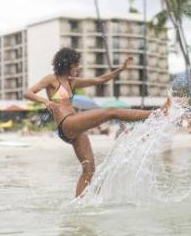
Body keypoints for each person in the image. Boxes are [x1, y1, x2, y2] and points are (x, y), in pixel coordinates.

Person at [24, 47, 171, 197]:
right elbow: (28, 93)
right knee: (112, 111)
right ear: (67, 64)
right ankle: (157, 113)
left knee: (89, 169)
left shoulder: (72, 82)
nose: (78, 68)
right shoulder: (51, 79)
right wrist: (45, 101)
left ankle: (79, 205)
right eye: (76, 64)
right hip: (67, 123)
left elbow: (100, 80)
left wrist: (120, 69)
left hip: (76, 130)